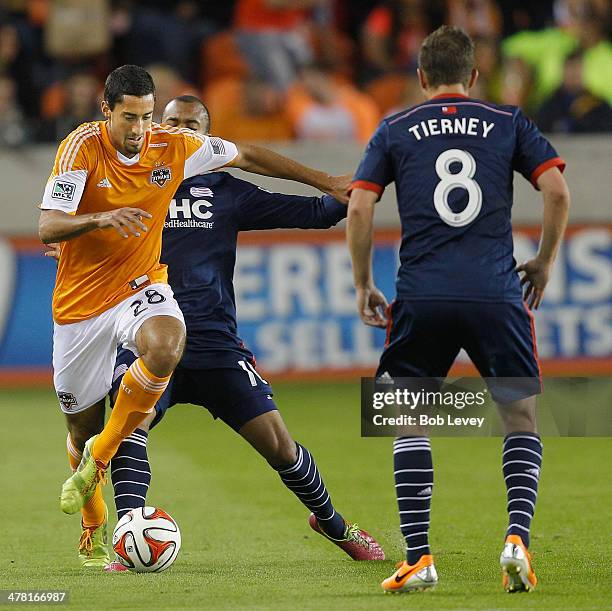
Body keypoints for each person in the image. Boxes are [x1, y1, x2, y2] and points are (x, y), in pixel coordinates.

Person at [38, 64, 349, 568]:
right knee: (80, 430)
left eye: (146, 119)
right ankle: (93, 519)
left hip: (156, 301)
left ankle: (109, 481)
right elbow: (49, 226)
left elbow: (251, 156)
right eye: (129, 118)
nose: (140, 131)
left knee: (164, 350)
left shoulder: (193, 165)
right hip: (82, 307)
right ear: (106, 111)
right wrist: (96, 221)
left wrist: (331, 184)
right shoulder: (81, 148)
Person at [96, 95, 384, 570]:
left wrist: (354, 194)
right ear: (155, 130)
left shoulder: (227, 191)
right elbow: (87, 230)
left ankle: (334, 524)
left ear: (208, 138)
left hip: (214, 343)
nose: (182, 133)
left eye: (193, 126)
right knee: (128, 429)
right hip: (148, 334)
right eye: (172, 124)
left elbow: (312, 212)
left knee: (280, 447)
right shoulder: (129, 183)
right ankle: (130, 540)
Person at [346, 26, 570, 593]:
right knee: (520, 418)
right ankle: (516, 538)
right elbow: (558, 191)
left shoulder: (395, 127)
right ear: (474, 77)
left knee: (407, 415)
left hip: (423, 292)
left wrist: (362, 283)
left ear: (421, 77)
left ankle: (419, 558)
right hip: (497, 291)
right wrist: (542, 261)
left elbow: (361, 205)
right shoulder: (509, 120)